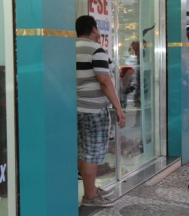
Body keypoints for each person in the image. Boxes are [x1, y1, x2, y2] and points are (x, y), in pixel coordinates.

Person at [76, 15, 125, 207]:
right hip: (94, 110)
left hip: (76, 109)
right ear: (94, 29)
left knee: (83, 151)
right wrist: (118, 108)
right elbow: (104, 80)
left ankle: (91, 189)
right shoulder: (96, 50)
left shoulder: (69, 48)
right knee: (92, 153)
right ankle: (90, 198)